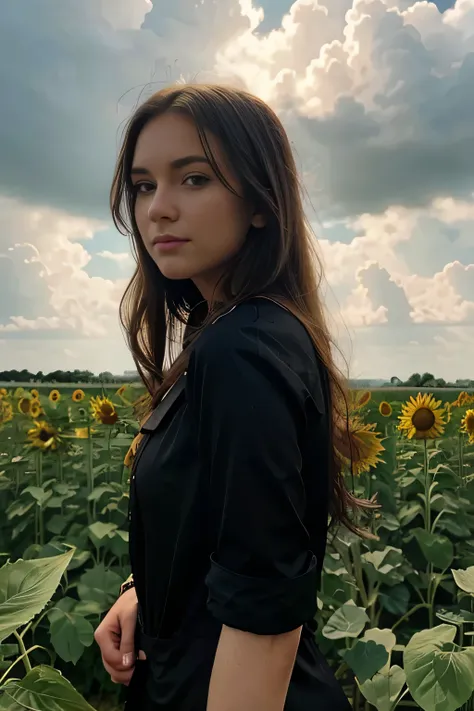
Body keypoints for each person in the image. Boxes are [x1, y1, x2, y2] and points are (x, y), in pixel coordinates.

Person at [94, 83, 372, 710]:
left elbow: (263, 615)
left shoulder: (241, 349)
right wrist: (148, 590)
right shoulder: (240, 334)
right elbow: (226, 527)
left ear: (259, 203)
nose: (158, 208)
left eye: (193, 179)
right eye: (143, 185)